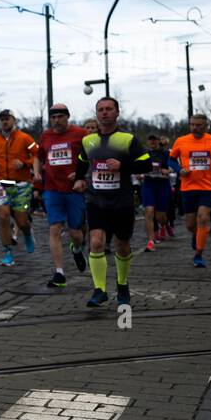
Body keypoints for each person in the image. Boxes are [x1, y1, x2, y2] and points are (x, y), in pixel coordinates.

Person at [73, 97, 151, 307]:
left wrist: (123, 165)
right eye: (101, 110)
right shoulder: (88, 141)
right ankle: (100, 290)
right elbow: (81, 162)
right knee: (96, 242)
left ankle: (122, 283)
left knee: (122, 245)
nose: (105, 113)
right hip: (96, 199)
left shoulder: (127, 139)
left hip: (122, 200)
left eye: (109, 109)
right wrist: (80, 179)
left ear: (117, 113)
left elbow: (146, 164)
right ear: (97, 114)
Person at [34, 103, 87, 288]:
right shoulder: (46, 135)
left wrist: (81, 175)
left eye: (60, 117)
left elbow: (92, 156)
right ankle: (59, 273)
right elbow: (38, 156)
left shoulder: (81, 134)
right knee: (54, 229)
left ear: (67, 117)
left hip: (74, 190)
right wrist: (37, 172)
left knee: (75, 232)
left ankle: (77, 248)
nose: (56, 121)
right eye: (53, 117)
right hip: (52, 189)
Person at [170, 113, 211, 268]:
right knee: (190, 225)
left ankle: (198, 254)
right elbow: (171, 159)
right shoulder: (181, 141)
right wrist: (179, 170)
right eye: (192, 124)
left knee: (203, 218)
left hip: (208, 187)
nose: (195, 127)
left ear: (205, 126)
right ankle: (196, 235)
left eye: (198, 125)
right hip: (188, 187)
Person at [0, 109, 38, 266]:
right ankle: (7, 252)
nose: (4, 122)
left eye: (7, 119)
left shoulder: (25, 138)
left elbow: (38, 154)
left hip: (22, 184)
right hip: (2, 183)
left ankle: (27, 233)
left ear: (14, 120)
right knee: (3, 215)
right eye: (2, 119)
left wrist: (25, 163)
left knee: (22, 221)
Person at [141, 135, 175, 251]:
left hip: (162, 184)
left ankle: (165, 224)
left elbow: (173, 166)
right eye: (150, 140)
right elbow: (137, 166)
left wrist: (168, 170)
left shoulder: (166, 153)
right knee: (149, 210)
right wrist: (139, 172)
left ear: (158, 141)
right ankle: (150, 241)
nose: (153, 142)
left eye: (155, 140)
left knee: (160, 216)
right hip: (148, 183)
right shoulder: (144, 153)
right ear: (148, 142)